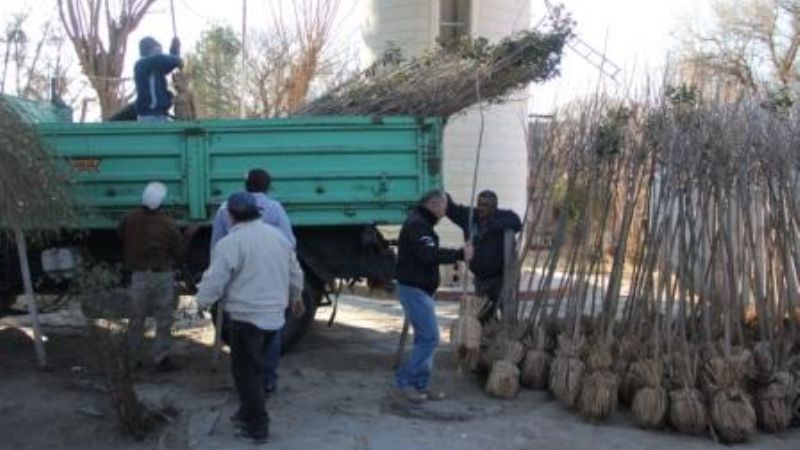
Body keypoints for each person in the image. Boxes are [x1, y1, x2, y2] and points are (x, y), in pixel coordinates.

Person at [196, 192, 304, 444]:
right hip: (275, 318)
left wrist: (201, 303)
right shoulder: (277, 237)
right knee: (256, 369)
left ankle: (257, 427)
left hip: (246, 318)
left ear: (232, 215)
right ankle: (246, 414)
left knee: (246, 375)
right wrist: (297, 297)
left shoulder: (231, 243)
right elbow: (295, 271)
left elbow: (215, 279)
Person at [210, 168, 296, 396]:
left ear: (244, 184)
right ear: (267, 186)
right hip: (269, 279)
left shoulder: (224, 210)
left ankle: (246, 384)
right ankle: (267, 381)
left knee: (242, 333)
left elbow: (217, 248)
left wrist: (213, 290)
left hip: (238, 282)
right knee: (272, 330)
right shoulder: (275, 209)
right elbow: (289, 245)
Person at [394, 189, 472, 402]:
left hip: (420, 290)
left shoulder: (420, 223)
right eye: (444, 208)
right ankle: (405, 382)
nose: (445, 213)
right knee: (430, 338)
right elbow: (429, 254)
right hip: (414, 290)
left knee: (424, 339)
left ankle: (420, 385)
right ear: (434, 205)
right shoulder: (418, 225)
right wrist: (459, 254)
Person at [118, 182, 197, 372]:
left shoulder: (129, 219)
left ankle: (132, 359)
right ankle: (160, 358)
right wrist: (188, 235)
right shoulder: (167, 224)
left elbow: (120, 234)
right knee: (163, 319)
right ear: (161, 203)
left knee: (136, 318)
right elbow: (179, 252)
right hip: (161, 275)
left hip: (138, 275)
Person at [446, 190, 522, 323]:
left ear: (494, 207)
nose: (481, 208)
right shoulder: (470, 217)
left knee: (508, 318)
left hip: (501, 280)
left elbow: (517, 222)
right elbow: (451, 209)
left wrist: (492, 225)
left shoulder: (503, 216)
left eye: (486, 205)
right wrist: (441, 193)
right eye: (480, 204)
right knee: (483, 318)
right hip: (481, 280)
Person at [134, 36, 182, 122]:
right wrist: (178, 59)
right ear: (149, 50)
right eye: (157, 50)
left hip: (160, 115)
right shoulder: (142, 64)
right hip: (149, 115)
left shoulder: (154, 69)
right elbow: (161, 59)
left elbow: (168, 64)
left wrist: (174, 51)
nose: (160, 52)